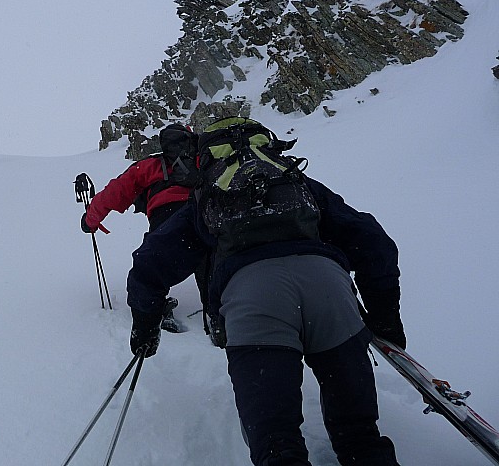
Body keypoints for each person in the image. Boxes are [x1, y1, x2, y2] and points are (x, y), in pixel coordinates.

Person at [126, 117, 404, 466]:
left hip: (253, 299)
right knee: (361, 437)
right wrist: (385, 318)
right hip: (329, 289)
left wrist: (146, 327)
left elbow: (149, 265)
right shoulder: (297, 183)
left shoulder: (207, 198)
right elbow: (372, 241)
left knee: (276, 443)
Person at [80, 123, 213, 334]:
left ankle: (154, 315)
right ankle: (218, 315)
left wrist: (91, 220)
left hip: (166, 223)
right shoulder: (203, 160)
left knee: (152, 270)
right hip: (204, 216)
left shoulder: (150, 166)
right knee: (209, 265)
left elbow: (114, 192)